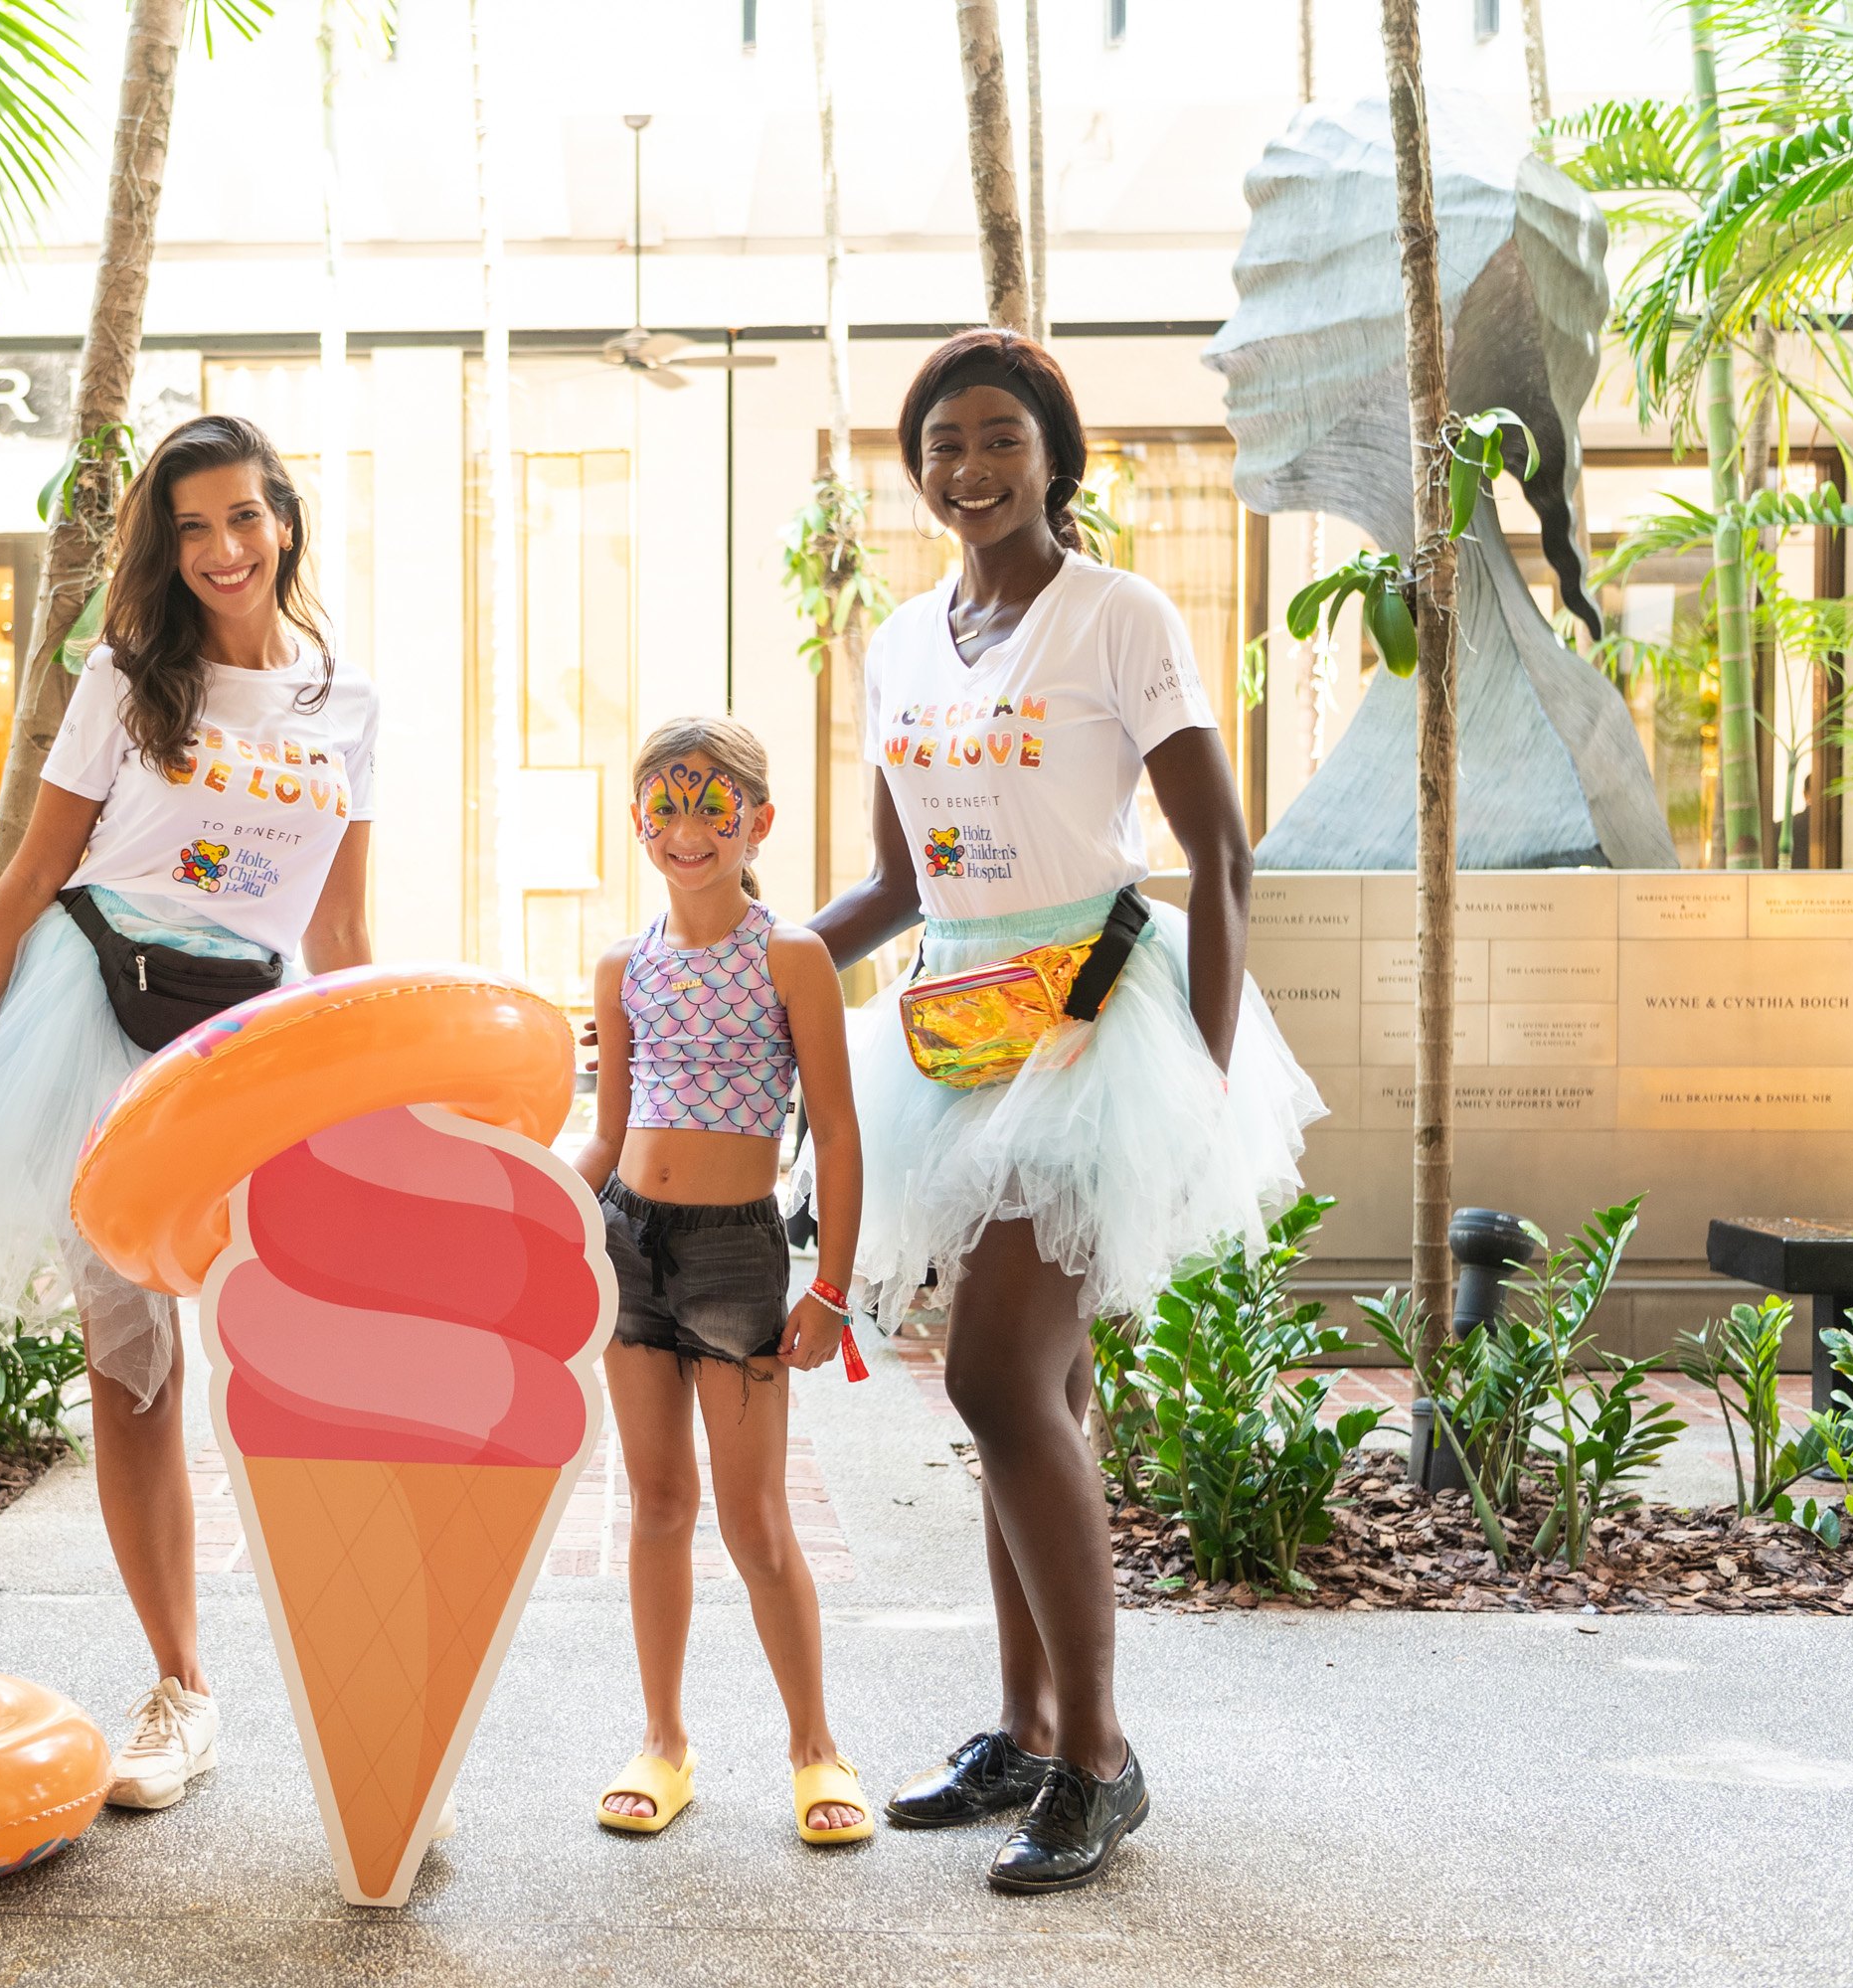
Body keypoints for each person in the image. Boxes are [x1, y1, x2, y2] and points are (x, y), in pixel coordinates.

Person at [804, 330, 1322, 1893]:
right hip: (953, 1025)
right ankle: (1027, 1728)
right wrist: (740, 964)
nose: (968, 467)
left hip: (1099, 1022)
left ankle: (1101, 1759)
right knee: (1038, 1401)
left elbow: (1219, 858)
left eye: (998, 439)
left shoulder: (1119, 614)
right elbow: (900, 885)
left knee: (997, 1377)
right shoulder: (900, 640)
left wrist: (1204, 1077)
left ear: (1054, 455)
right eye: (942, 444)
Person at [0, 414, 377, 1812]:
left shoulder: (347, 702)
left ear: (285, 519)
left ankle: (368, 1683)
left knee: (295, 1356)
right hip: (91, 1014)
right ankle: (180, 1689)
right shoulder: (124, 678)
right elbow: (27, 874)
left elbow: (339, 928)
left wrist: (382, 1091)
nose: (221, 550)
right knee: (135, 1367)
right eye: (193, 527)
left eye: (243, 520)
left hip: (250, 1039)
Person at [568, 717, 874, 1848]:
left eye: (711, 806)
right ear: (639, 821)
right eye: (665, 806)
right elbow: (605, 1138)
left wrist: (831, 1286)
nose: (687, 830)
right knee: (653, 1505)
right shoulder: (621, 966)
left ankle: (815, 1745)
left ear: (759, 820)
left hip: (740, 1250)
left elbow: (835, 1133)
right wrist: (550, 1201)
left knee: (754, 1517)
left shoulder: (789, 956)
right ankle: (663, 1739)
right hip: (628, 1248)